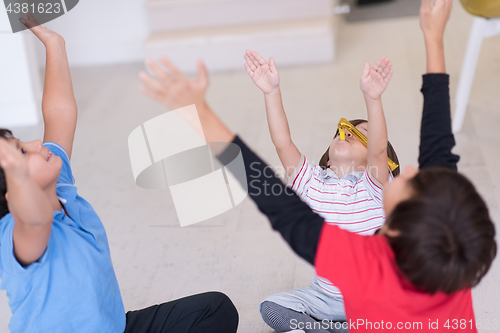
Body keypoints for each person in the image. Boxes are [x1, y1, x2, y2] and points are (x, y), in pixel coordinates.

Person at [139, 0, 496, 331]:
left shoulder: (363, 264)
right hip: (339, 304)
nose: (415, 171)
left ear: (396, 230)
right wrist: (434, 36)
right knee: (274, 305)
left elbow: (280, 206)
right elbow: (439, 144)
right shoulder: (447, 257)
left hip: (360, 309)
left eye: (410, 183)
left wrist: (200, 113)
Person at [0, 15, 238, 333]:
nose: (35, 142)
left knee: (216, 309)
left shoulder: (60, 184)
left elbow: (59, 113)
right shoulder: (16, 234)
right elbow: (35, 219)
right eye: (21, 152)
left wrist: (55, 44)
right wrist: (15, 170)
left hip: (116, 328)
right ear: (11, 186)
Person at [243, 48, 399, 332]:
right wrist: (270, 93)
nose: (348, 133)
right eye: (344, 131)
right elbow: (283, 143)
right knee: (272, 307)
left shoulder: (374, 187)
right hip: (324, 297)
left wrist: (372, 98)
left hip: (374, 298)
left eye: (362, 133)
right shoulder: (311, 182)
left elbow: (377, 149)